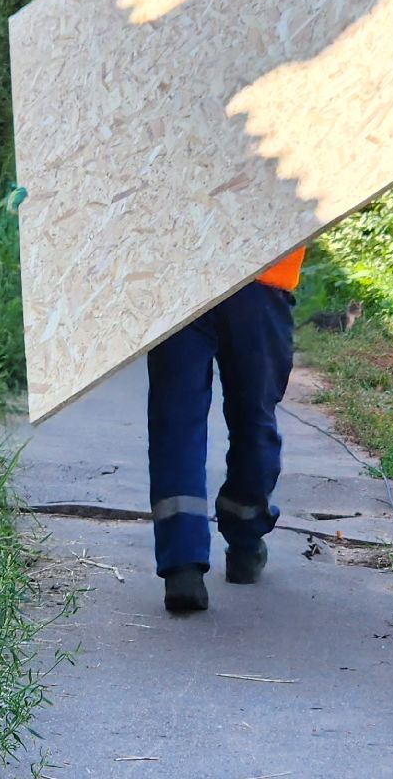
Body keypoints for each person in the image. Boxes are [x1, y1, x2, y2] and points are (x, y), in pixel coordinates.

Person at [147, 247, 302, 613]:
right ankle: (246, 544)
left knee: (176, 422)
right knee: (254, 418)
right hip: (262, 279)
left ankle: (182, 566)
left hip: (181, 275)